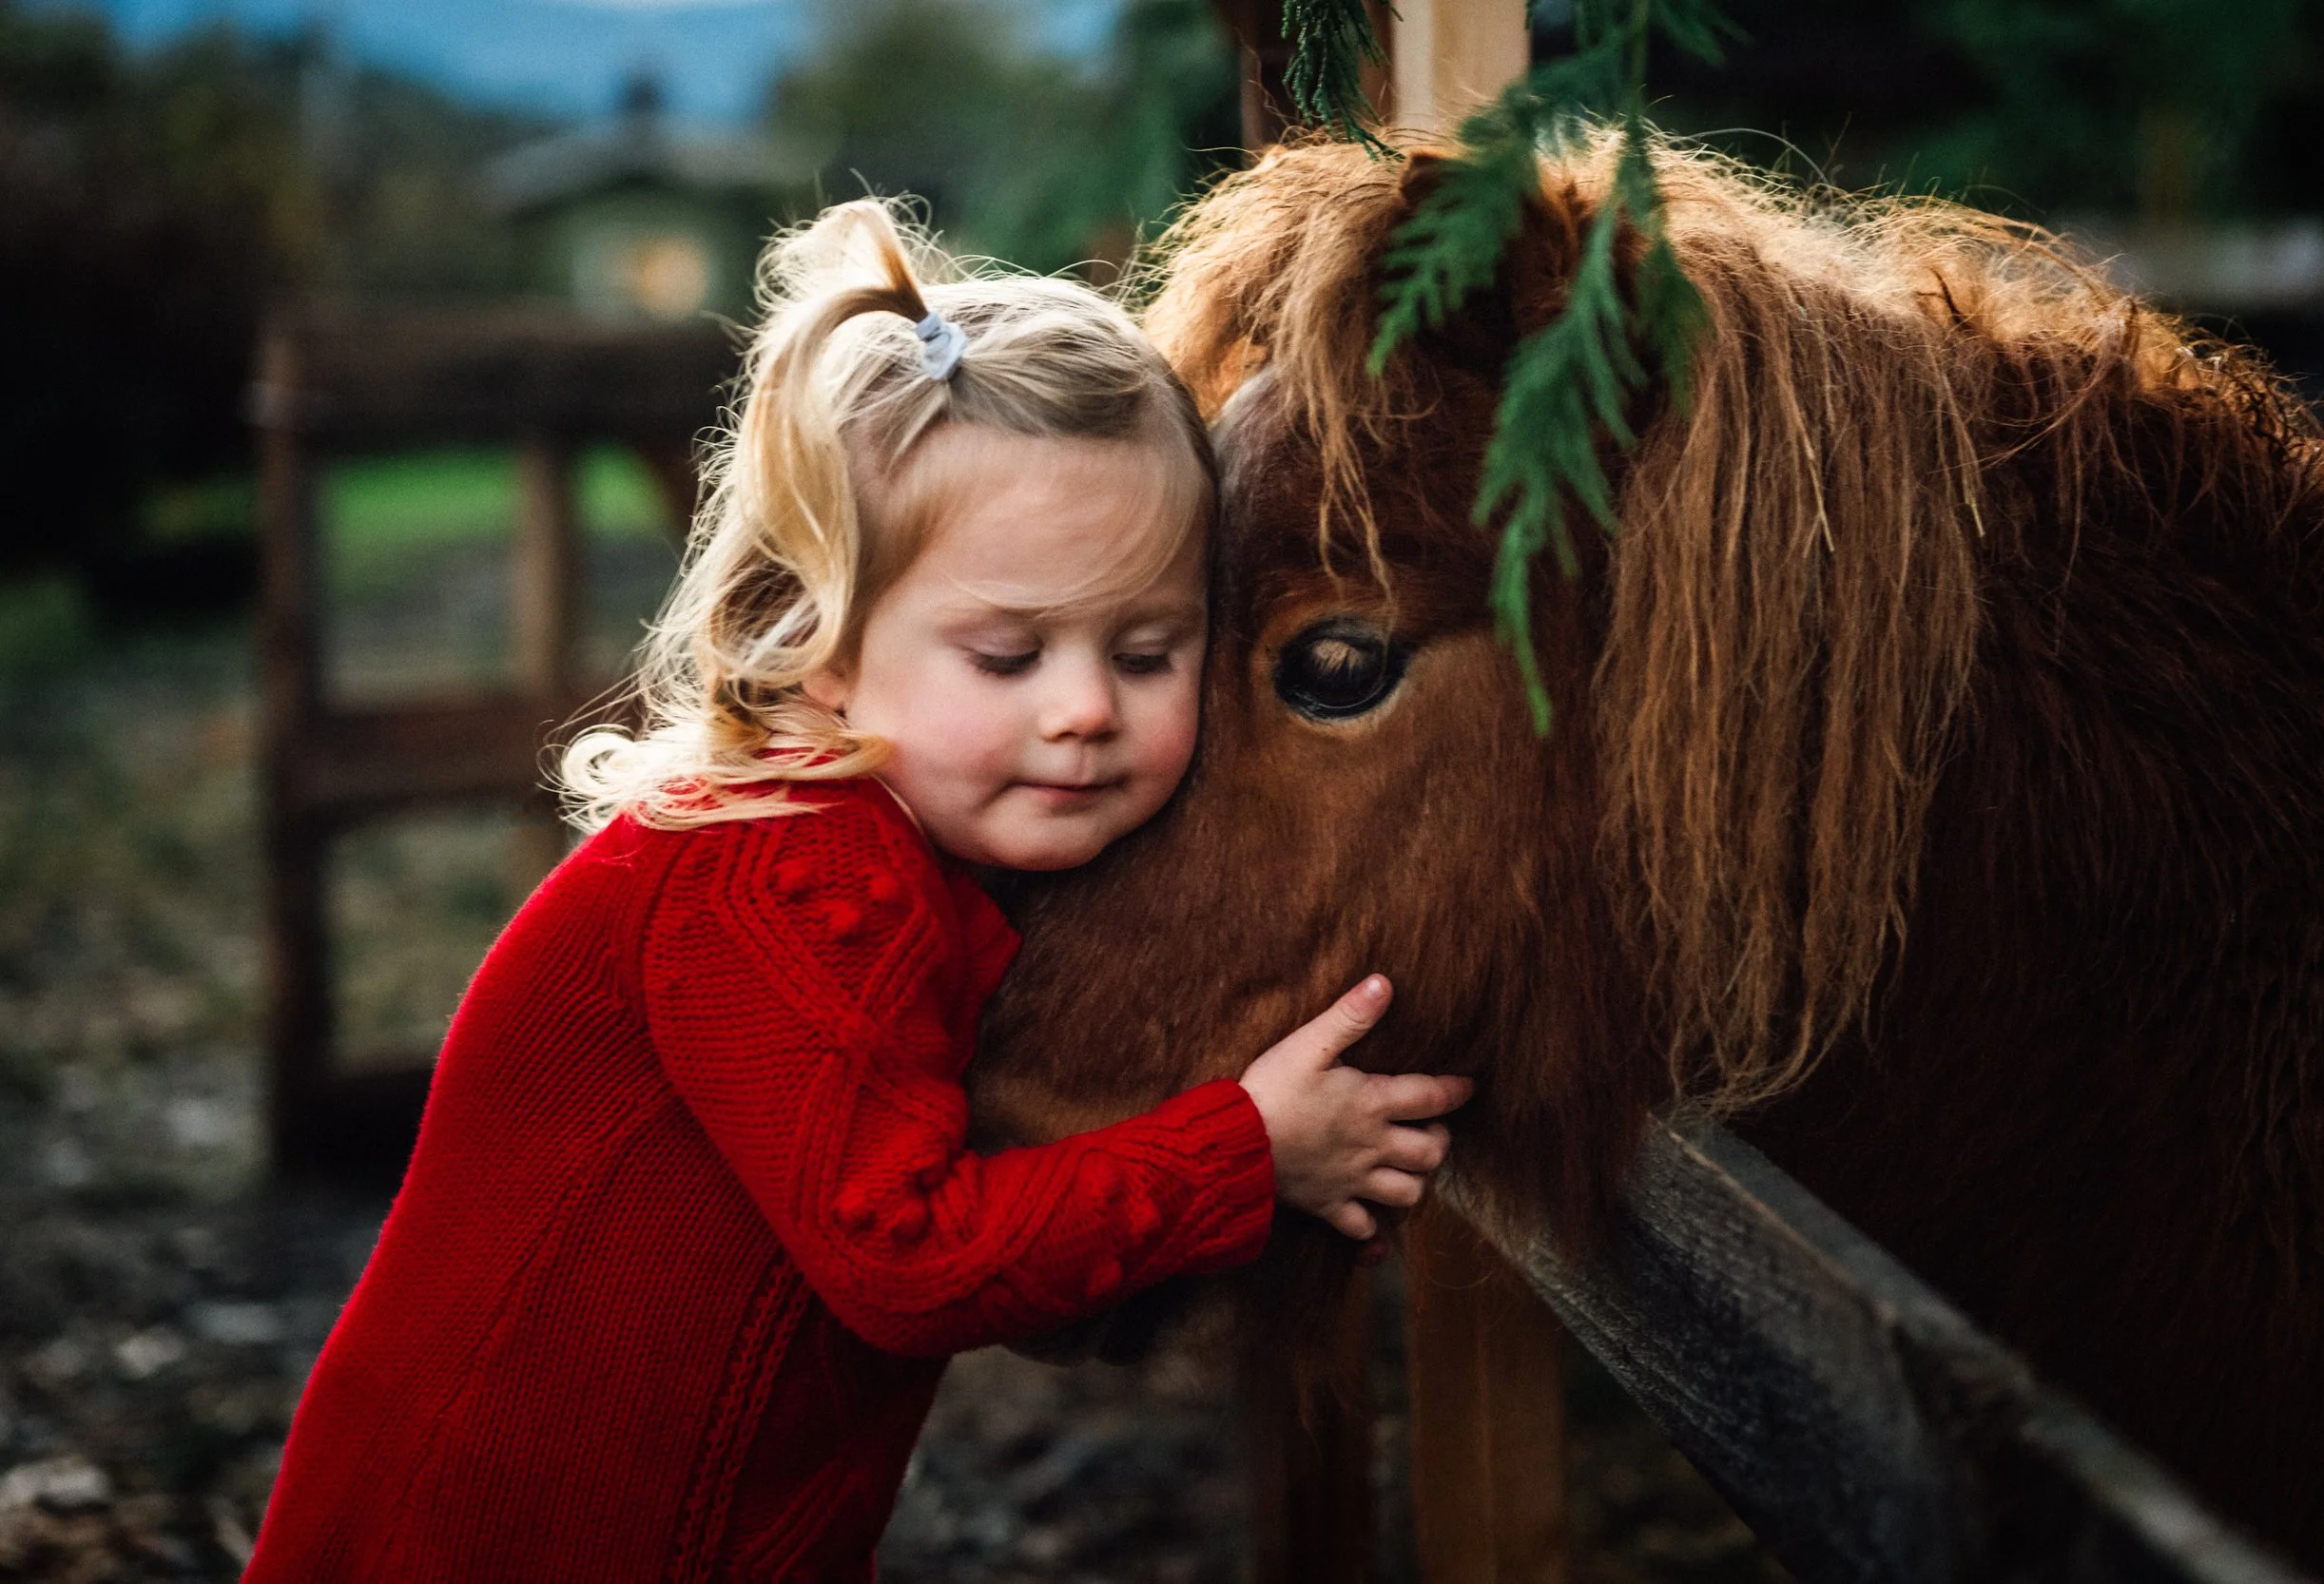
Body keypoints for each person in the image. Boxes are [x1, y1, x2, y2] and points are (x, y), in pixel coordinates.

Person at [242, 200, 1474, 1583]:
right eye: (1008, 656)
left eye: (1148, 648)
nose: (1084, 710)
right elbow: (910, 1259)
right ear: (815, 644)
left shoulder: (930, 842)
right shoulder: (785, 864)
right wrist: (1246, 1149)